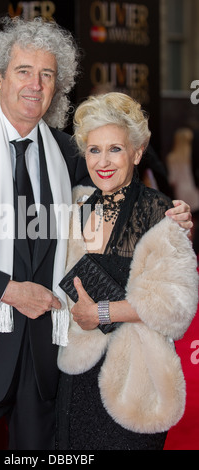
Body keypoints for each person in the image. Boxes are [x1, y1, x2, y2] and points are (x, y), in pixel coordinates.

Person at [0, 17, 192, 451]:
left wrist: (168, 215)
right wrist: (9, 290)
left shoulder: (64, 151)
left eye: (47, 74)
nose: (35, 85)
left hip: (46, 359)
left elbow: (119, 183)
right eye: (24, 71)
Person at [56, 92, 198, 450]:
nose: (103, 161)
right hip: (75, 381)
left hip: (136, 383)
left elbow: (176, 307)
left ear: (136, 152)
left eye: (115, 149)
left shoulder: (161, 214)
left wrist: (100, 313)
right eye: (94, 149)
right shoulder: (75, 209)